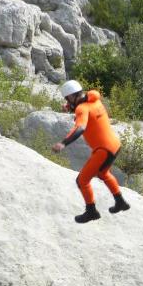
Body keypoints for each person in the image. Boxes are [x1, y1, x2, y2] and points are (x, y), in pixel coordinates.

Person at [52, 79, 130, 223]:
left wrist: (63, 143)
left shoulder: (82, 109)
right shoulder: (94, 100)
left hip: (103, 150)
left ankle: (91, 211)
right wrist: (70, 107)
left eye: (68, 99)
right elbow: (85, 107)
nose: (67, 101)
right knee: (103, 173)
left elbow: (80, 127)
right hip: (114, 145)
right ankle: (121, 202)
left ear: (71, 96)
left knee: (82, 180)